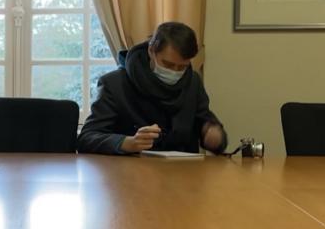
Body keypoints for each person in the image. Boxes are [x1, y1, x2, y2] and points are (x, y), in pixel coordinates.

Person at [78, 22, 228, 155]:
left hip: (183, 172)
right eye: (168, 64)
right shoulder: (115, 83)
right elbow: (87, 138)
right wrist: (126, 143)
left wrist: (214, 136)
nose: (175, 72)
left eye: (182, 67)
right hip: (130, 172)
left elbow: (206, 124)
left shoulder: (193, 82)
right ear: (151, 51)